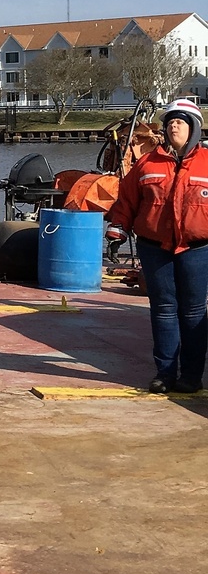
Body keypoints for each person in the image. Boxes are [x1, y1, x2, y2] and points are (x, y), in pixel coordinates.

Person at [109, 97, 208, 393]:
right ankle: (164, 373)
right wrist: (117, 229)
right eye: (170, 121)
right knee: (163, 310)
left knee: (194, 312)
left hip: (198, 249)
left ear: (193, 129)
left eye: (180, 121)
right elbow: (127, 200)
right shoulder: (147, 164)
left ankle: (191, 375)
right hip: (155, 249)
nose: (173, 125)